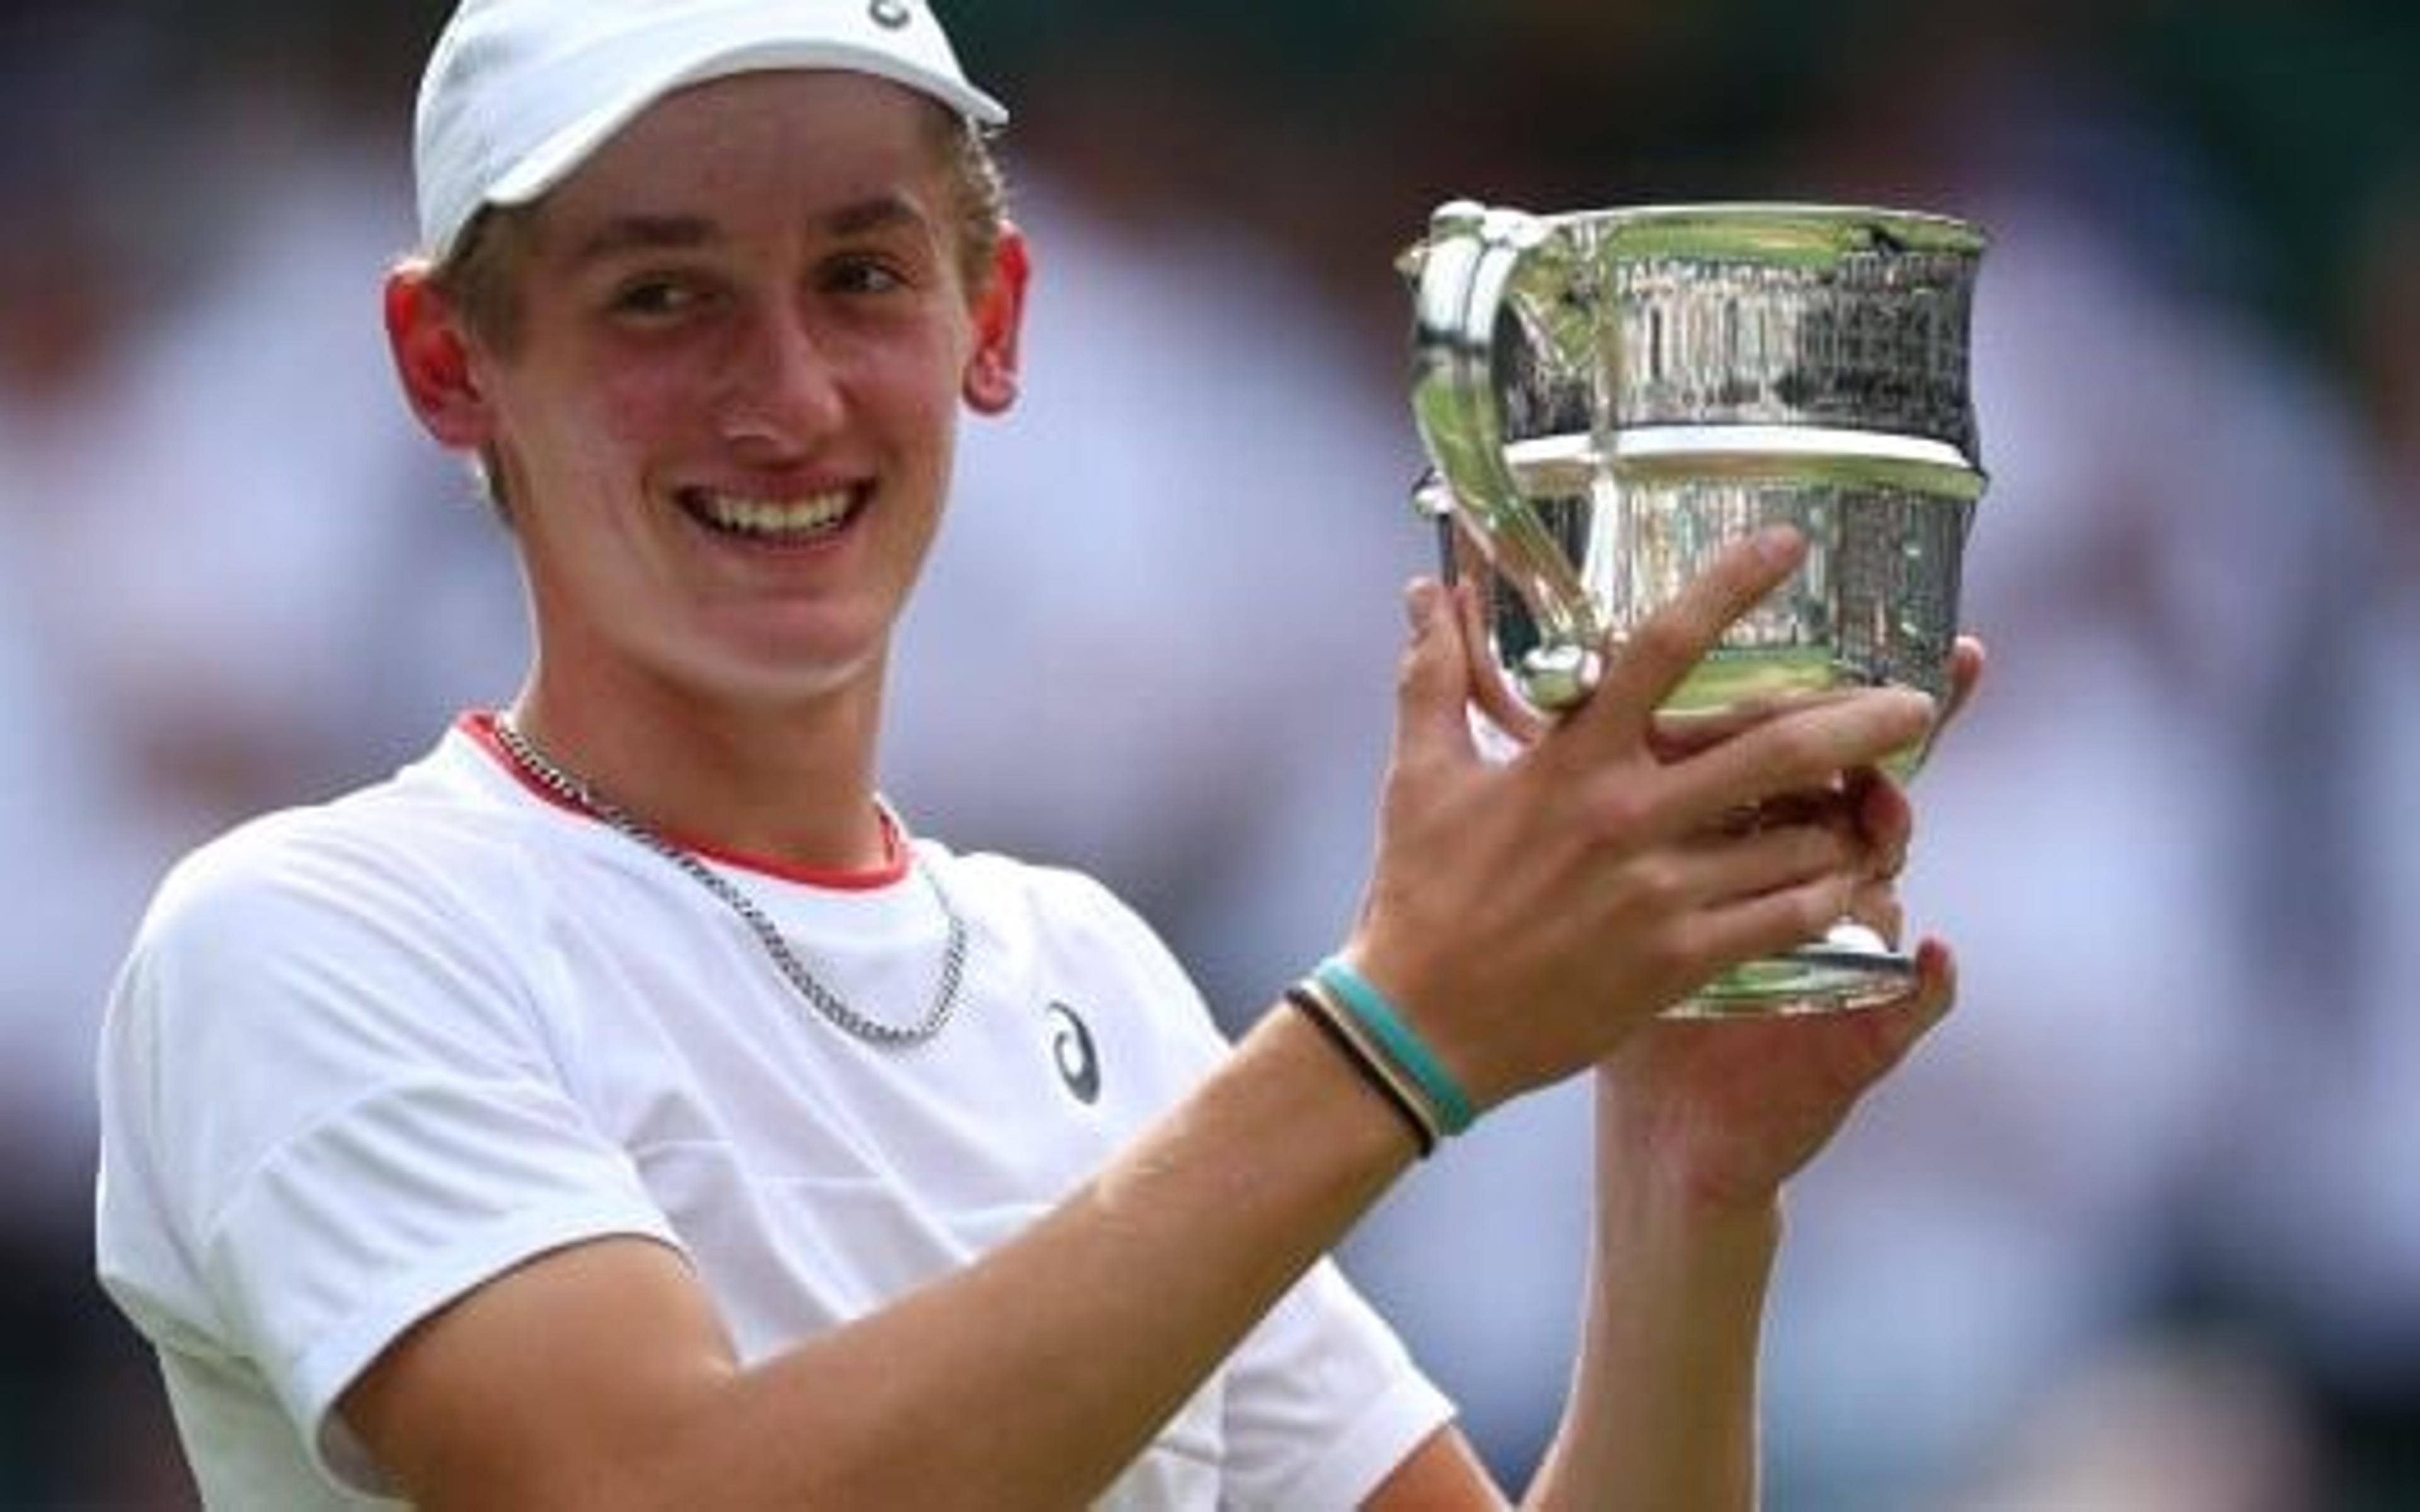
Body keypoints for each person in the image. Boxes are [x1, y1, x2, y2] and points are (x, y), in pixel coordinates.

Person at [93, 1, 1974, 1506]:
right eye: (660, 295)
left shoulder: (1089, 980)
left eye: (861, 277)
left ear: (989, 325)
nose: (790, 398)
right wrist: (1403, 1035)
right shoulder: (308, 935)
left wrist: (1687, 1178)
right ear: (448, 366)